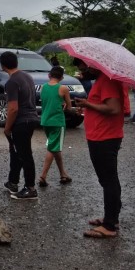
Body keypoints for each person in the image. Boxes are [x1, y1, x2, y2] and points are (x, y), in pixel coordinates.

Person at [72, 58, 127, 238]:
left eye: (83, 67)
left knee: (108, 180)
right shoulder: (103, 80)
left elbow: (113, 108)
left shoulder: (107, 81)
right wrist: (89, 109)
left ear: (92, 65)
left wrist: (88, 104)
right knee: (108, 179)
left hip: (104, 137)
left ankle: (109, 226)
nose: (83, 71)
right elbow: (104, 106)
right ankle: (111, 218)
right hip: (102, 135)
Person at [1, 51, 40, 200]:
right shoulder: (27, 76)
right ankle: (13, 182)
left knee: (24, 155)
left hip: (21, 121)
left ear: (3, 65)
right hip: (31, 118)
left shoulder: (11, 82)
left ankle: (30, 188)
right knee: (16, 151)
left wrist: (7, 127)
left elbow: (13, 108)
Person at [38, 66, 73, 187]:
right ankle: (43, 176)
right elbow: (69, 107)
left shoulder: (43, 87)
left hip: (45, 121)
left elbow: (47, 102)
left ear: (49, 75)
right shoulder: (63, 88)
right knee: (52, 148)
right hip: (57, 122)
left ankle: (63, 174)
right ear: (62, 77)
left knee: (55, 147)